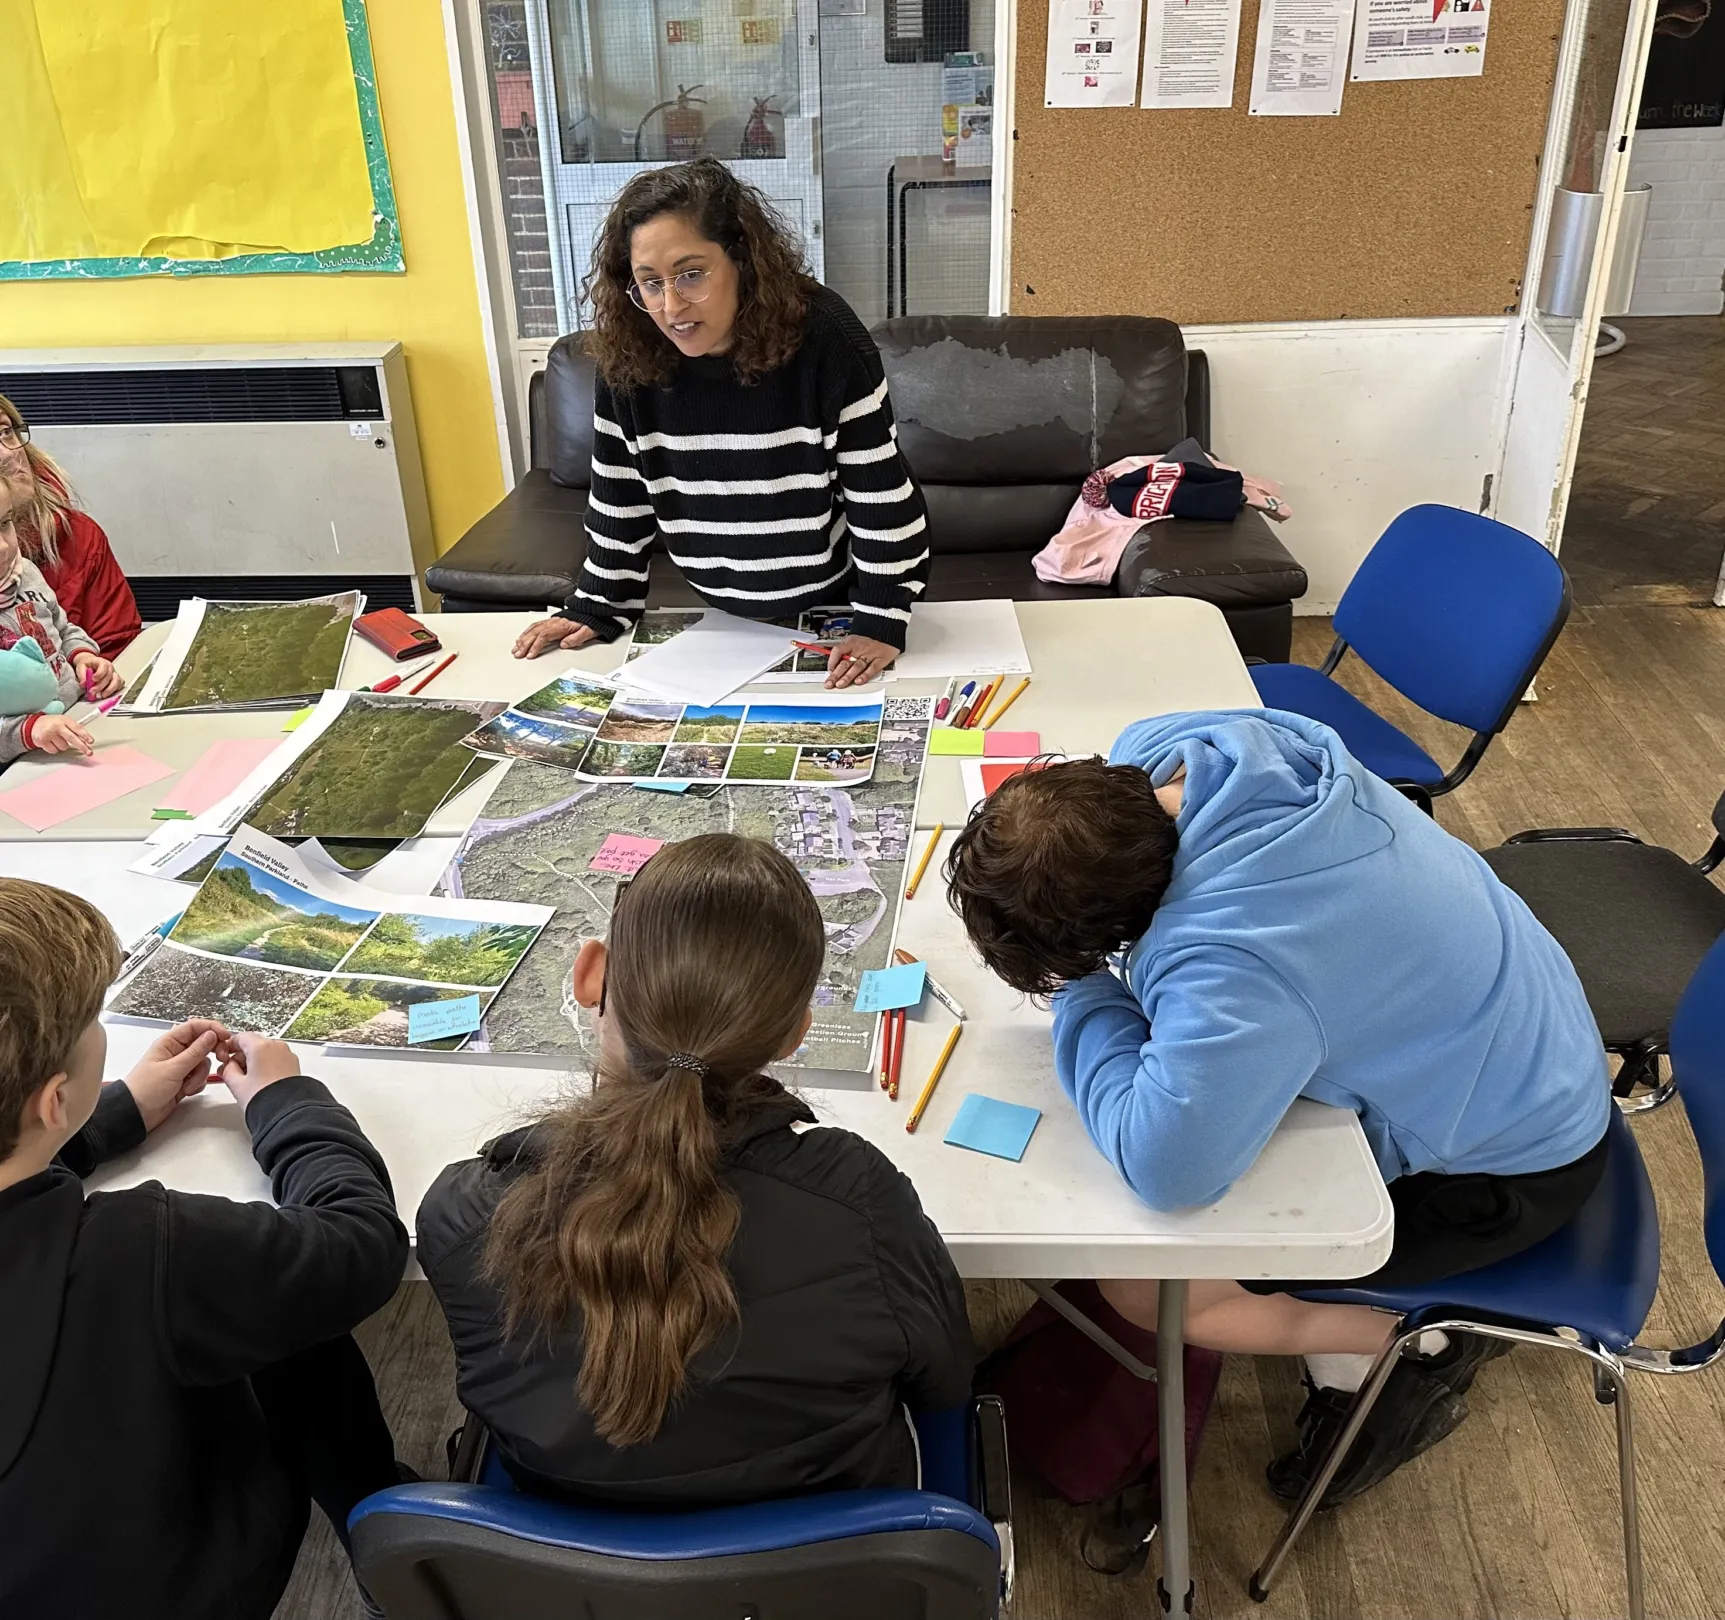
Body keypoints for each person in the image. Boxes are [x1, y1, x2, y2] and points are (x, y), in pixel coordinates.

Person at [944, 711, 1610, 1504]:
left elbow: (1168, 1169)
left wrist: (1082, 989)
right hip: (1528, 1043)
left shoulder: (1238, 961)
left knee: (1143, 1287)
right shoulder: (1200, 751)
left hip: (1507, 1166)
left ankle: (1416, 1346)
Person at [419, 833, 973, 1505]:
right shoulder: (860, 1203)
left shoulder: (463, 1214)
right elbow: (944, 1380)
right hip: (823, 1545)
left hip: (564, 1557)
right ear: (795, 1033)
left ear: (591, 977)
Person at [0, 879, 410, 1620]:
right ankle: (391, 1541)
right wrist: (286, 1103)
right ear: (53, 1100)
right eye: (93, 1021)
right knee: (285, 1314)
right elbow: (361, 1242)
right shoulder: (144, 1251)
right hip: (170, 1581)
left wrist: (116, 1111)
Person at [510, 159, 930, 692]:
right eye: (650, 283)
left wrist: (882, 618)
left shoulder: (827, 336)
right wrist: (597, 603)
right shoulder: (629, 351)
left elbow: (881, 494)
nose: (672, 306)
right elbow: (619, 494)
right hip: (722, 617)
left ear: (743, 260)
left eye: (691, 274)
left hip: (837, 599)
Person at [0, 396, 142, 659]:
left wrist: (88, 663)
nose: (9, 453)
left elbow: (118, 651)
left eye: (5, 431)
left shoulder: (77, 536)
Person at [0, 500, 121, 763]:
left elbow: (62, 629)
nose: (4, 547)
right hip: (21, 764)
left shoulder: (26, 572)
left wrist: (83, 655)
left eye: (4, 523)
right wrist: (29, 730)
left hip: (78, 720)